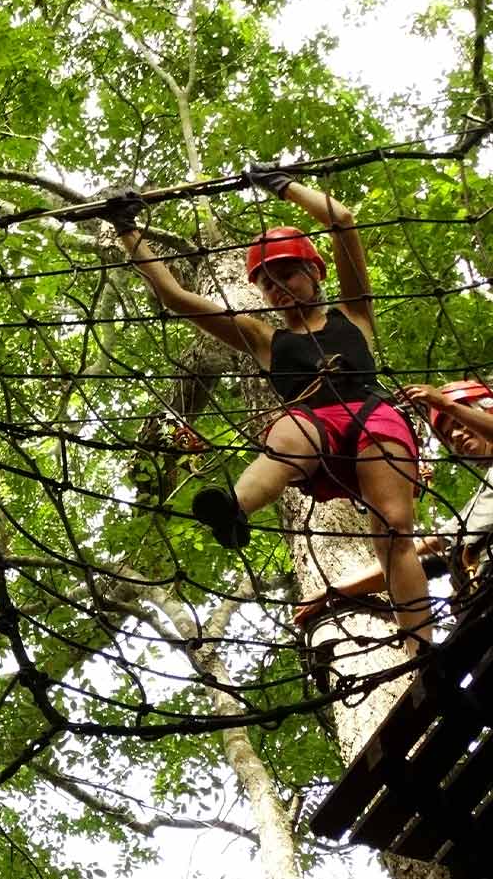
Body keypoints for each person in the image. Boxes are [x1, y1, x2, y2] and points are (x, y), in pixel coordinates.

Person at [108, 166, 432, 649]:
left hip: (371, 417)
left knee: (392, 533)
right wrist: (127, 230)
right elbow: (177, 298)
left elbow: (342, 221)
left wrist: (281, 184)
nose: (279, 286)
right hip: (313, 427)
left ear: (313, 272)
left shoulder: (354, 312)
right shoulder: (264, 338)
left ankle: (420, 649)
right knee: (287, 432)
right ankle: (233, 509)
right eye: (268, 282)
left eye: (288, 273)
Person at [294, 380, 493, 627]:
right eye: (448, 434)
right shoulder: (478, 505)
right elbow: (409, 553)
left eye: (459, 425)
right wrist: (335, 590)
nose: (455, 435)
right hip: (477, 606)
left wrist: (448, 406)